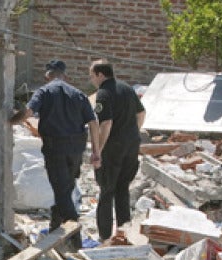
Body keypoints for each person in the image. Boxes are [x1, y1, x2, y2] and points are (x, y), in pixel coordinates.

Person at [10, 59, 100, 249]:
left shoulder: (44, 92)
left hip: (56, 147)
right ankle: (54, 227)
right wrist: (97, 151)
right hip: (77, 147)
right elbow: (93, 122)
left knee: (61, 191)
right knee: (66, 187)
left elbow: (27, 113)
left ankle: (75, 237)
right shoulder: (78, 94)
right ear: (64, 75)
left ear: (47, 75)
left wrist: (9, 121)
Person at [89, 60, 143, 242]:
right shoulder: (127, 88)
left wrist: (98, 150)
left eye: (92, 76)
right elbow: (141, 114)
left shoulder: (103, 93)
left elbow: (106, 122)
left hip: (113, 149)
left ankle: (104, 236)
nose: (91, 80)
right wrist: (131, 132)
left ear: (100, 74)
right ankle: (124, 233)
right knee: (123, 190)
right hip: (131, 146)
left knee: (106, 191)